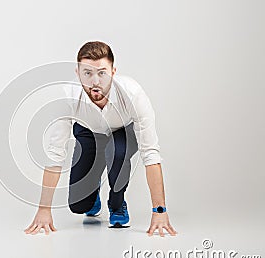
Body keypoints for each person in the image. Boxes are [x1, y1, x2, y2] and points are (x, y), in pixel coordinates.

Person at [24, 41, 177, 237]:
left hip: (122, 131)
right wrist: (44, 209)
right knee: (79, 205)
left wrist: (159, 211)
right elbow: (55, 154)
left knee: (116, 152)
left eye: (102, 73)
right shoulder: (67, 97)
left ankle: (117, 202)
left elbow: (151, 154)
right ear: (78, 73)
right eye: (87, 73)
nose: (95, 82)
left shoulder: (133, 93)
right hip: (88, 132)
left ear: (113, 72)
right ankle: (93, 190)